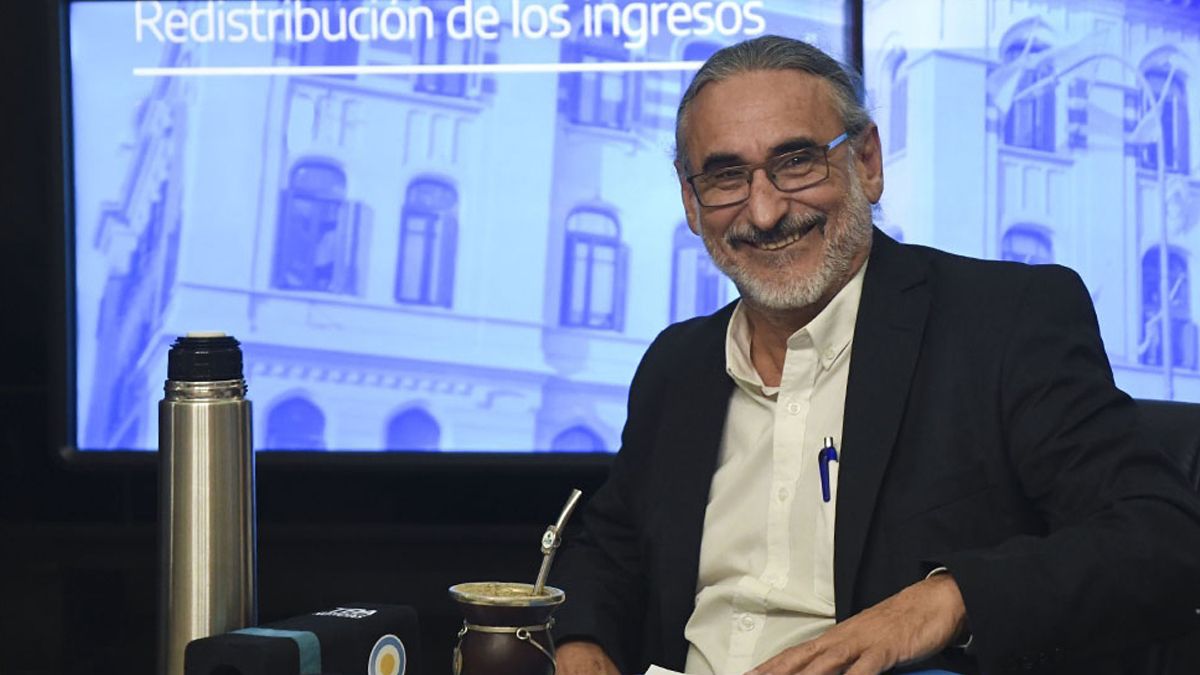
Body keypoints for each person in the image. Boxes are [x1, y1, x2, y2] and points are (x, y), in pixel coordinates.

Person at [549, 35, 1200, 675]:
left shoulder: (1004, 321)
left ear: (867, 162)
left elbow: (1162, 538)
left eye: (797, 162)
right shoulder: (676, 364)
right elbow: (609, 547)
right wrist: (582, 641)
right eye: (725, 177)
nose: (766, 211)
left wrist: (949, 599)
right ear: (692, 202)